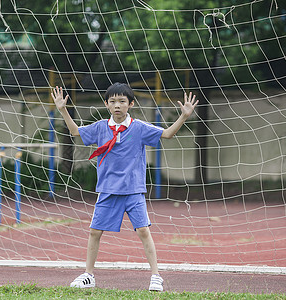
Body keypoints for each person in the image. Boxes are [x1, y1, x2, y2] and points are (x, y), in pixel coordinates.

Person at [51, 82, 198, 291]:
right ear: (107, 104)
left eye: (122, 101)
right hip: (108, 190)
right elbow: (75, 131)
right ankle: (89, 275)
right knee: (94, 232)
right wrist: (62, 109)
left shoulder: (139, 128)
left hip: (133, 190)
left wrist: (183, 116)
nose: (117, 105)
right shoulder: (100, 127)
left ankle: (156, 276)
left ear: (130, 104)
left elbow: (166, 134)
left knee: (143, 232)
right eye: (113, 102)